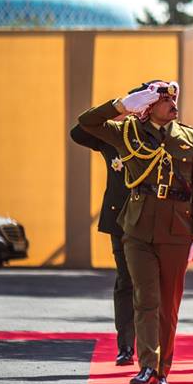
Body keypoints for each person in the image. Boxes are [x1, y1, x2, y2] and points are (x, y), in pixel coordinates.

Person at [78, 80, 193, 384]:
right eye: (164, 100)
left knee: (168, 305)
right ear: (148, 107)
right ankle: (148, 366)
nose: (173, 104)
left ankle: (163, 370)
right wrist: (122, 105)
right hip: (137, 228)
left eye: (174, 99)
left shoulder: (192, 138)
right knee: (145, 299)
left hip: (177, 229)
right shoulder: (127, 132)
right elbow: (86, 123)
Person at [70, 123, 135, 365]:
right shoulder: (113, 135)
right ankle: (126, 346)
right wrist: (116, 109)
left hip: (152, 220)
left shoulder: (157, 133)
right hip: (119, 219)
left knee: (153, 284)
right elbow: (78, 133)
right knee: (126, 281)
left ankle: (152, 347)